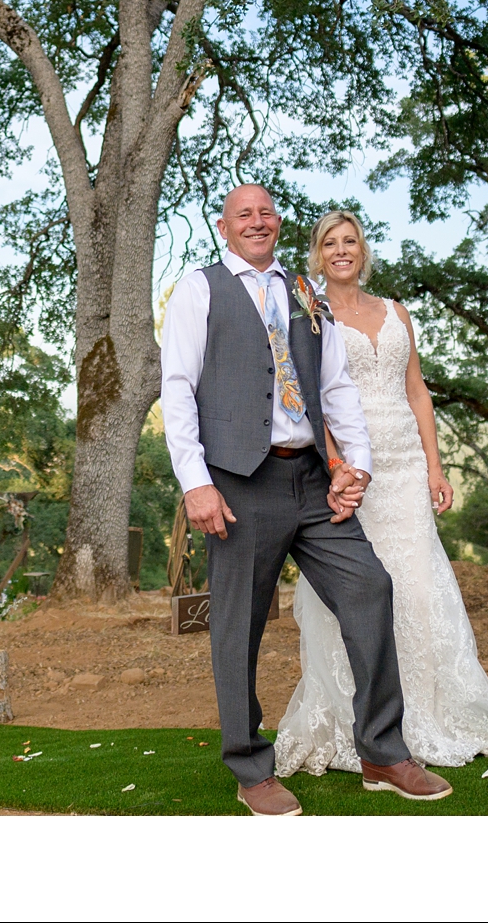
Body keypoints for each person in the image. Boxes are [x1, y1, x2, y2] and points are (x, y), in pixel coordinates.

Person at [159, 183, 452, 816]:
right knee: (239, 625)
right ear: (224, 226)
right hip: (238, 482)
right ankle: (250, 766)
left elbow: (336, 384)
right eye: (244, 214)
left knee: (370, 587)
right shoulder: (199, 288)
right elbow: (177, 389)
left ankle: (380, 750)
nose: (256, 222)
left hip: (313, 480)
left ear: (278, 222)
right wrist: (195, 482)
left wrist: (360, 466)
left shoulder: (302, 291)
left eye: (266, 212)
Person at [275, 210, 488, 774]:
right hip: (353, 469)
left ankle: (425, 715)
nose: (342, 250)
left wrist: (436, 467)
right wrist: (335, 463)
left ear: (363, 250)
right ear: (317, 254)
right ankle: (362, 724)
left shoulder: (396, 312)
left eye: (351, 240)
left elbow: (418, 391)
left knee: (418, 591)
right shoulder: (311, 315)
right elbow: (310, 397)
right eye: (331, 243)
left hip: (406, 471)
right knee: (361, 594)